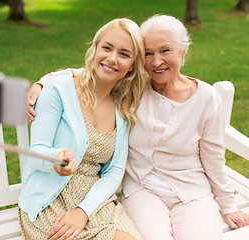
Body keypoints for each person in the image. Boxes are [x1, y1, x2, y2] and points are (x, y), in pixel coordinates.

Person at [26, 14, 249, 240]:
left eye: (165, 51)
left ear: (184, 52)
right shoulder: (134, 89)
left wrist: (228, 205)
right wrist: (43, 81)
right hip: (142, 190)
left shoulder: (206, 98)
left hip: (192, 192)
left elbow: (214, 157)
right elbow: (94, 71)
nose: (156, 61)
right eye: (149, 53)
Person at [18, 18, 147, 240]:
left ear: (132, 65)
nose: (112, 58)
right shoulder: (58, 90)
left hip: (95, 200)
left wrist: (83, 212)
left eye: (124, 54)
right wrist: (55, 158)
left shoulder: (123, 106)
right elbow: (37, 153)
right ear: (94, 49)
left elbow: (114, 171)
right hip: (50, 199)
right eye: (107, 48)